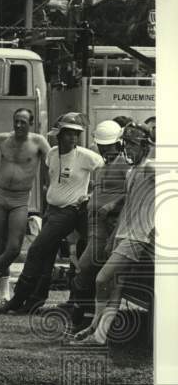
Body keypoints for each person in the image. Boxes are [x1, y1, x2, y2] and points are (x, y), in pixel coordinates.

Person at [0, 112, 103, 314]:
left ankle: (18, 299)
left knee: (36, 251)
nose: (73, 138)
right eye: (69, 133)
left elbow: (105, 168)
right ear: (59, 134)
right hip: (52, 211)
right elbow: (52, 177)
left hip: (69, 211)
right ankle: (34, 301)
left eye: (76, 134)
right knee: (46, 257)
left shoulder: (86, 156)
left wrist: (91, 193)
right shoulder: (52, 153)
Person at [73, 123, 155, 345]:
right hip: (124, 233)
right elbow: (128, 202)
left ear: (145, 146)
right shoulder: (132, 171)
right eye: (126, 143)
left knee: (102, 279)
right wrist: (112, 233)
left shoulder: (151, 168)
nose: (127, 148)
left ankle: (93, 326)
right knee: (115, 286)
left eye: (132, 144)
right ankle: (100, 336)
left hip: (138, 236)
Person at [0, 108, 50, 306]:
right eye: (16, 121)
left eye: (23, 122)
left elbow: (52, 163)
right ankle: (4, 295)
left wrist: (50, 189)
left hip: (21, 198)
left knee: (13, 248)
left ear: (31, 123)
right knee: (1, 247)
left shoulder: (38, 142)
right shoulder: (3, 138)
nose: (19, 125)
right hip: (0, 196)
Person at [50, 119, 128, 329]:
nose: (104, 150)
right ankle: (84, 315)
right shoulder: (105, 165)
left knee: (85, 268)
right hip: (94, 224)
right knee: (88, 270)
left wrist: (112, 205)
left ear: (118, 143)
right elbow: (102, 189)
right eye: (102, 147)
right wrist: (89, 197)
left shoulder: (124, 164)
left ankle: (79, 313)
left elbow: (131, 192)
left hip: (108, 226)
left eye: (108, 146)